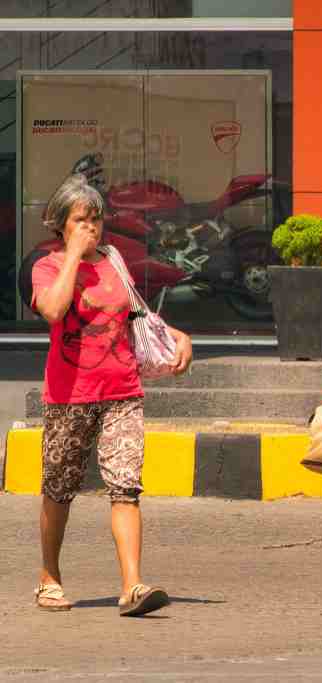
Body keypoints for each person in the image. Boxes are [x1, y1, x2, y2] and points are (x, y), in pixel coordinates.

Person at [30, 174, 193, 616]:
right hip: (69, 396)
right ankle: (49, 577)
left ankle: (133, 586)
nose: (91, 227)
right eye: (81, 219)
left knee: (125, 487)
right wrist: (73, 260)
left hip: (122, 391)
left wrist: (178, 335)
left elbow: (136, 312)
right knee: (59, 489)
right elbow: (52, 309)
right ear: (60, 223)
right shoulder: (46, 266)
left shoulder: (115, 259)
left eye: (96, 218)